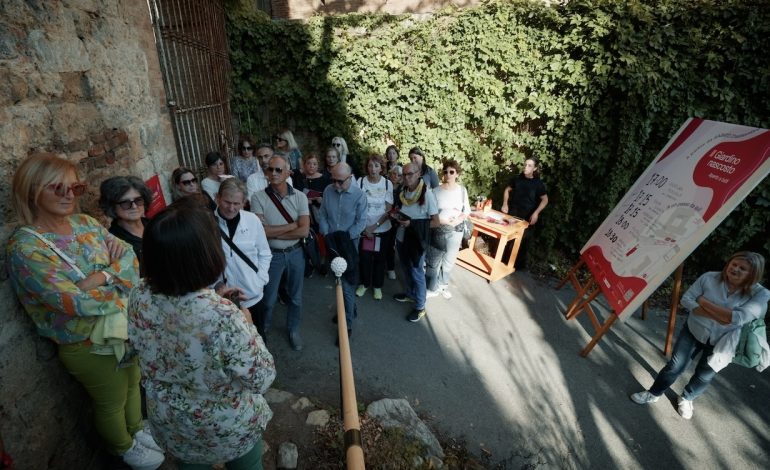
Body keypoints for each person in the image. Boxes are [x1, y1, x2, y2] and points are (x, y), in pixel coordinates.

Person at [7, 153, 163, 470]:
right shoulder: (26, 247)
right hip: (85, 340)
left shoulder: (85, 223)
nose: (69, 195)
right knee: (111, 399)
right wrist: (116, 280)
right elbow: (72, 302)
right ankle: (123, 447)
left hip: (120, 326)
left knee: (134, 382)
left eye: (74, 188)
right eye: (57, 187)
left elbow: (130, 261)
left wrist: (101, 277)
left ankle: (135, 430)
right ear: (32, 190)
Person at [128, 200, 275, 468]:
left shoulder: (139, 294)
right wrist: (247, 323)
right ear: (205, 254)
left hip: (171, 423)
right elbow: (261, 378)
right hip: (226, 427)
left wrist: (211, 298)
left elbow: (175, 322)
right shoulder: (223, 315)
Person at [630, 252, 769, 419]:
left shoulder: (761, 294)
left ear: (753, 274)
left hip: (723, 341)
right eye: (734, 264)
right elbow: (687, 300)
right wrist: (722, 316)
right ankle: (654, 393)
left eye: (743, 268)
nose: (736, 269)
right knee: (675, 366)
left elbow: (738, 318)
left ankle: (687, 398)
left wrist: (703, 302)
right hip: (694, 329)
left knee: (705, 374)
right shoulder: (709, 277)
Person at [251, 155, 310, 351]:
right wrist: (291, 225)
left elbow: (304, 231)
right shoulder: (258, 197)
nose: (274, 173)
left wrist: (275, 230)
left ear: (288, 173)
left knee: (295, 297)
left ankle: (293, 330)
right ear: (266, 173)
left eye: (278, 170)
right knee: (268, 298)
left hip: (295, 253)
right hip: (272, 255)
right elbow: (261, 232)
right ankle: (263, 330)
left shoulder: (300, 197)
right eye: (270, 169)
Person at [214, 178, 272, 330]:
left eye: (237, 204)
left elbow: (265, 253)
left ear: (244, 202)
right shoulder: (207, 223)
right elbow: (202, 261)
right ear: (217, 198)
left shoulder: (253, 220)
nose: (231, 208)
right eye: (227, 202)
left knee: (258, 340)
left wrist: (260, 280)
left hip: (253, 297)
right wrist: (216, 285)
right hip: (222, 300)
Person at [318, 162, 368, 340]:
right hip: (331, 243)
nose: (336, 185)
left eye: (340, 182)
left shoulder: (359, 195)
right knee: (337, 281)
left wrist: (344, 239)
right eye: (334, 181)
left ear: (350, 177)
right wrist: (326, 233)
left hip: (348, 245)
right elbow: (322, 214)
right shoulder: (328, 190)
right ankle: (348, 308)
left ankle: (346, 326)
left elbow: (361, 222)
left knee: (347, 286)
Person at [391, 162, 439, 323]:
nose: (406, 177)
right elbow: (402, 209)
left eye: (410, 174)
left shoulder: (427, 194)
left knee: (417, 273)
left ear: (419, 173)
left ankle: (420, 307)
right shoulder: (403, 191)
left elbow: (436, 222)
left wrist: (412, 224)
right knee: (405, 268)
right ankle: (410, 294)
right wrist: (397, 216)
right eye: (404, 174)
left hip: (417, 240)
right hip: (401, 236)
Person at [426, 160, 471, 300]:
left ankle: (443, 285)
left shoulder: (462, 191)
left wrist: (458, 220)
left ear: (457, 174)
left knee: (449, 260)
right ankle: (431, 287)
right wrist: (443, 221)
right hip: (439, 229)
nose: (448, 174)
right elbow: (429, 212)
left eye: (452, 172)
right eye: (445, 171)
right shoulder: (435, 191)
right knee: (434, 260)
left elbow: (467, 211)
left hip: (456, 230)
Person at [354, 155, 393, 300]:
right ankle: (364, 284)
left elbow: (388, 209)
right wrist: (365, 227)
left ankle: (377, 287)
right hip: (364, 229)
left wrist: (374, 227)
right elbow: (356, 206)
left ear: (381, 168)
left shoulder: (387, 184)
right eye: (370, 166)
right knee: (364, 258)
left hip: (382, 229)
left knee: (379, 259)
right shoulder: (360, 182)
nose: (373, 169)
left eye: (376, 166)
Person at [500, 157, 548, 269]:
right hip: (513, 212)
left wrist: (536, 213)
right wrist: (505, 204)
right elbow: (507, 190)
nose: (526, 167)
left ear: (535, 168)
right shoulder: (517, 179)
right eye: (525, 164)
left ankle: (517, 267)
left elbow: (545, 199)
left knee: (523, 242)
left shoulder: (538, 184)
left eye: (530, 165)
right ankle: (503, 263)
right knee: (509, 238)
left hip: (528, 216)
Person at [99, 176, 152, 265]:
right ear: (112, 207)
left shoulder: (155, 224)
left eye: (138, 200)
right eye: (125, 203)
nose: (134, 206)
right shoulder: (114, 241)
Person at [293, 153, 331, 277]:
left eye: (314, 164)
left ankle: (322, 263)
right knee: (307, 240)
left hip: (319, 213)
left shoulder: (324, 179)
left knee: (321, 239)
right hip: (304, 213)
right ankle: (310, 264)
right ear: (304, 165)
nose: (311, 166)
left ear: (318, 165)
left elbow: (329, 196)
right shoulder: (299, 177)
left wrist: (321, 199)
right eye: (309, 163)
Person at [385, 164, 403, 280]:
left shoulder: (403, 189)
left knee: (390, 245)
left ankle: (390, 268)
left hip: (394, 221)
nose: (396, 176)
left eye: (399, 175)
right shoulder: (384, 185)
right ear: (390, 174)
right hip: (382, 217)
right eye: (394, 173)